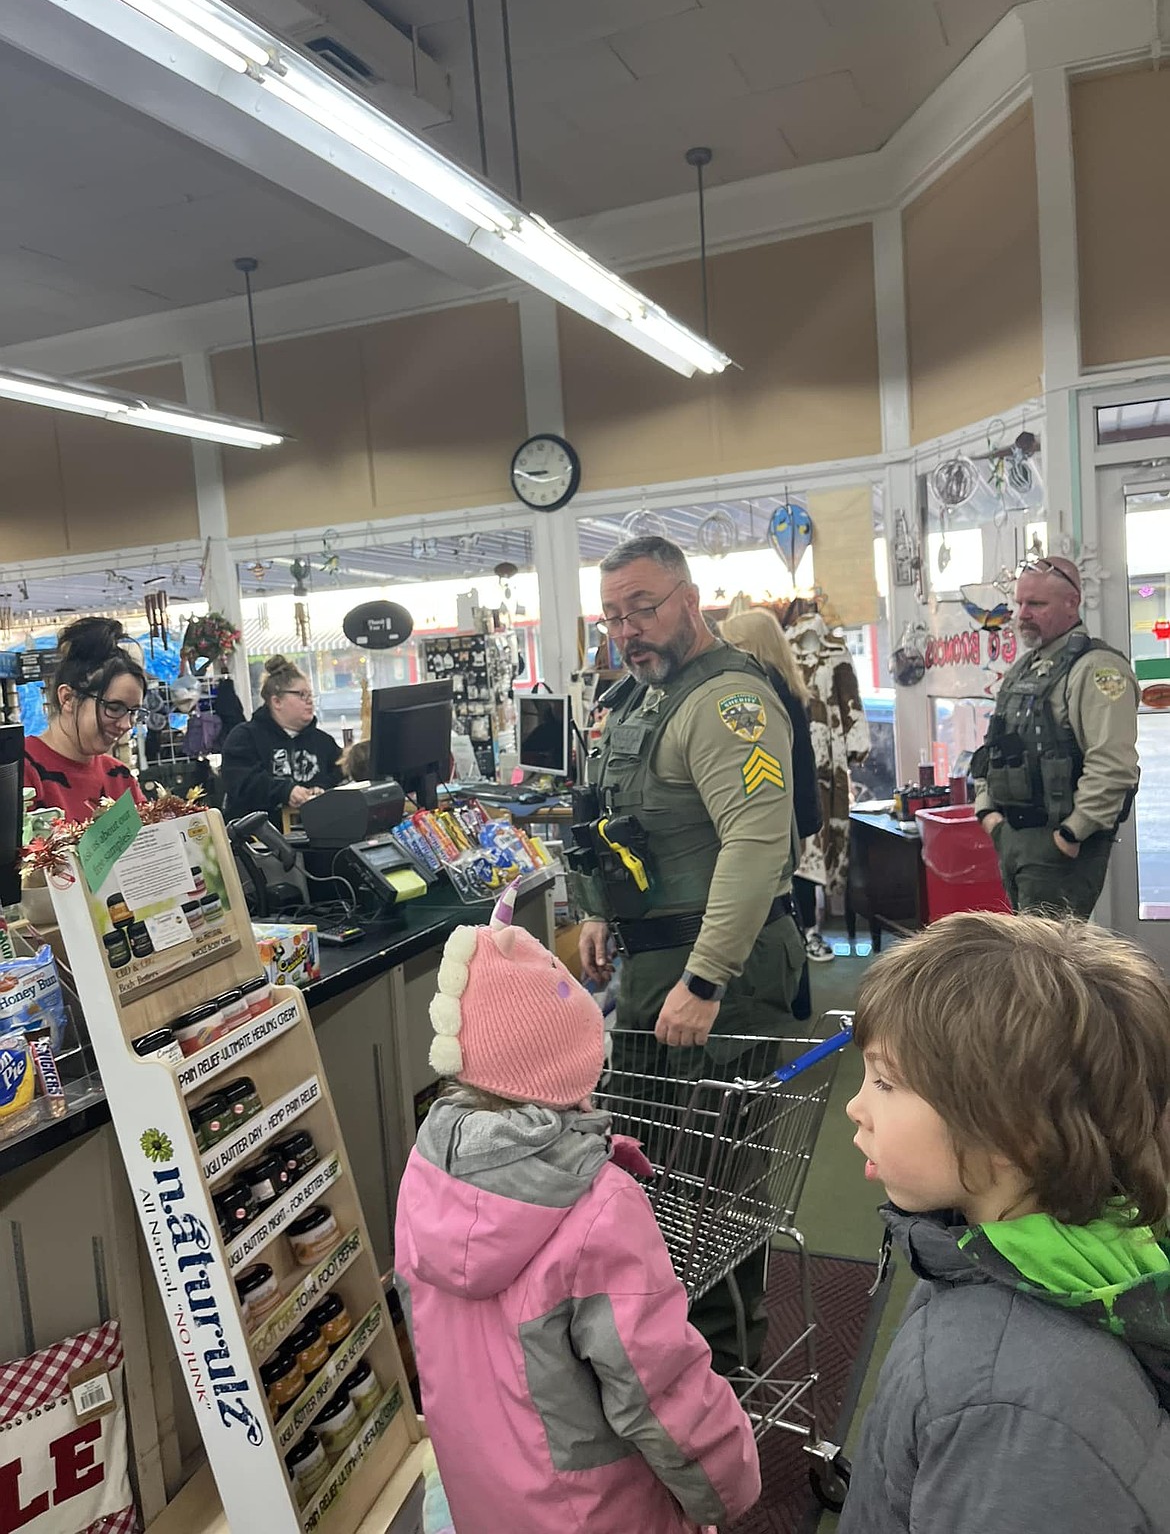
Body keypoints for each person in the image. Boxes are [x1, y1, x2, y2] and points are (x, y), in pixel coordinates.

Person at [395, 887, 761, 1534]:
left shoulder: (426, 1172)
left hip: (483, 1495)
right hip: (599, 1512)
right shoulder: (600, 1207)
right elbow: (658, 1386)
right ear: (574, 1074)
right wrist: (729, 1485)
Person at [840, 911, 1170, 1534]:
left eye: (885, 1082)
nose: (856, 1107)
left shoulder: (1006, 1404)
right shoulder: (1083, 1244)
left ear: (1012, 1135)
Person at [571, 535, 804, 1373]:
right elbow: (614, 818)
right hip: (652, 969)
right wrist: (597, 910)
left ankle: (728, 1370)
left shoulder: (727, 701)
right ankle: (677, 1357)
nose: (627, 630)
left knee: (717, 1179)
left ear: (690, 598)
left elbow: (755, 844)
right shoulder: (639, 698)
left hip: (720, 975)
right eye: (612, 617)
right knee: (655, 1172)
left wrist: (705, 978)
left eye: (643, 608)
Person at [972, 556, 1139, 917]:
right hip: (1013, 838)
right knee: (1023, 947)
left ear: (1071, 602)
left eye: (1036, 604)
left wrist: (1071, 834)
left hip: (1060, 845)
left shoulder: (1098, 669)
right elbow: (993, 747)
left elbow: (1113, 766)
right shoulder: (1024, 668)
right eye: (1019, 603)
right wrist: (987, 813)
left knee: (1046, 952)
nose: (1022, 614)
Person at [719, 606, 823, 1008]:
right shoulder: (788, 687)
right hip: (796, 814)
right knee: (786, 905)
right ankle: (798, 997)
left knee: (773, 910)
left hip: (778, 816)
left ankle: (793, 997)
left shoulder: (760, 694)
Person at [23, 616, 147, 823]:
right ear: (68, 698)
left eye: (133, 712)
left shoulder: (119, 777)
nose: (126, 725)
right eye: (114, 708)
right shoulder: (19, 770)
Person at [221, 655, 342, 825]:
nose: (309, 701)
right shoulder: (244, 738)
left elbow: (340, 772)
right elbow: (242, 783)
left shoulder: (324, 742)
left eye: (310, 695)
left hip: (318, 831)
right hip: (260, 835)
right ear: (277, 701)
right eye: (301, 695)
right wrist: (284, 791)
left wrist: (322, 788)